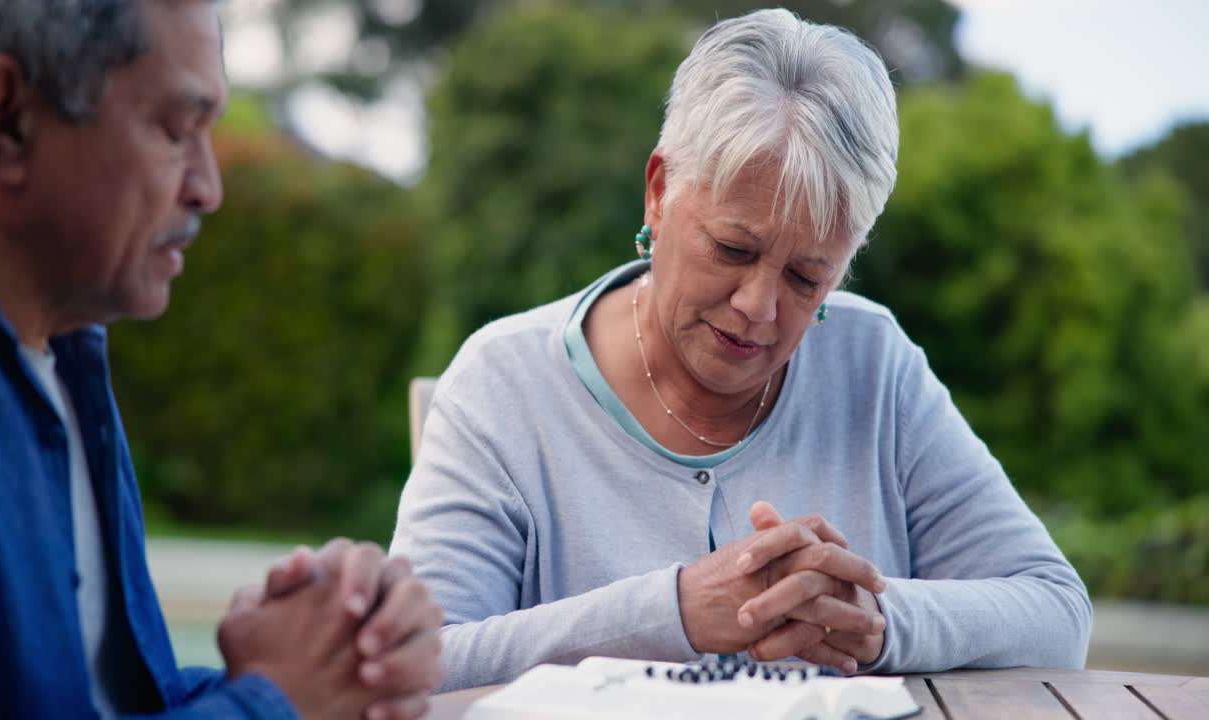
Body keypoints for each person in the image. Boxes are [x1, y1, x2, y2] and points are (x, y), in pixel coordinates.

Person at [390, 7, 1093, 693]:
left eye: (806, 276)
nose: (759, 305)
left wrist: (878, 619)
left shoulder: (874, 365)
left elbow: (1058, 612)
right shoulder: (503, 384)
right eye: (733, 248)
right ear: (660, 192)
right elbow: (416, 663)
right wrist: (674, 612)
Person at [0, 0, 441, 717]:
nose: (209, 187)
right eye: (175, 130)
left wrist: (331, 650)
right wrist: (277, 699)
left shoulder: (64, 354)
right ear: (7, 119)